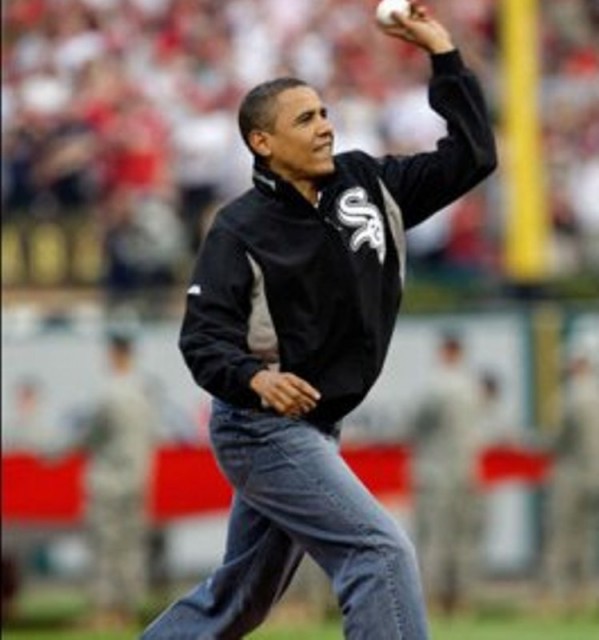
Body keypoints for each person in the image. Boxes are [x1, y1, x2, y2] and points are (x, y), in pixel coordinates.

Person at [142, 4, 496, 639]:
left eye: (325, 113)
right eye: (305, 119)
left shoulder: (366, 184)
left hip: (314, 426)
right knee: (379, 552)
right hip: (259, 428)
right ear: (263, 142)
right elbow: (202, 338)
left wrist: (442, 52)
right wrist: (256, 378)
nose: (325, 127)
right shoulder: (240, 228)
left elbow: (471, 156)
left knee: (238, 602)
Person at [79, 329, 158, 630]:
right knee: (131, 547)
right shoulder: (145, 390)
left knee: (105, 546)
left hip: (108, 478)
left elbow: (91, 434)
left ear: (114, 353)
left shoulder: (108, 392)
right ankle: (127, 610)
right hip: (139, 477)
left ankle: (105, 611)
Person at [407, 332, 485, 615]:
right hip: (466, 472)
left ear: (444, 352)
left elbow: (413, 426)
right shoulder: (472, 387)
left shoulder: (435, 386)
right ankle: (463, 600)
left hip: (434, 473)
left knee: (433, 540)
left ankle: (431, 601)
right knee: (462, 541)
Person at [543, 338, 599, 611]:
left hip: (571, 475)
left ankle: (559, 593)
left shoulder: (570, 396)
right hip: (595, 475)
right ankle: (583, 592)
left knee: (563, 536)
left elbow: (557, 440)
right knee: (587, 537)